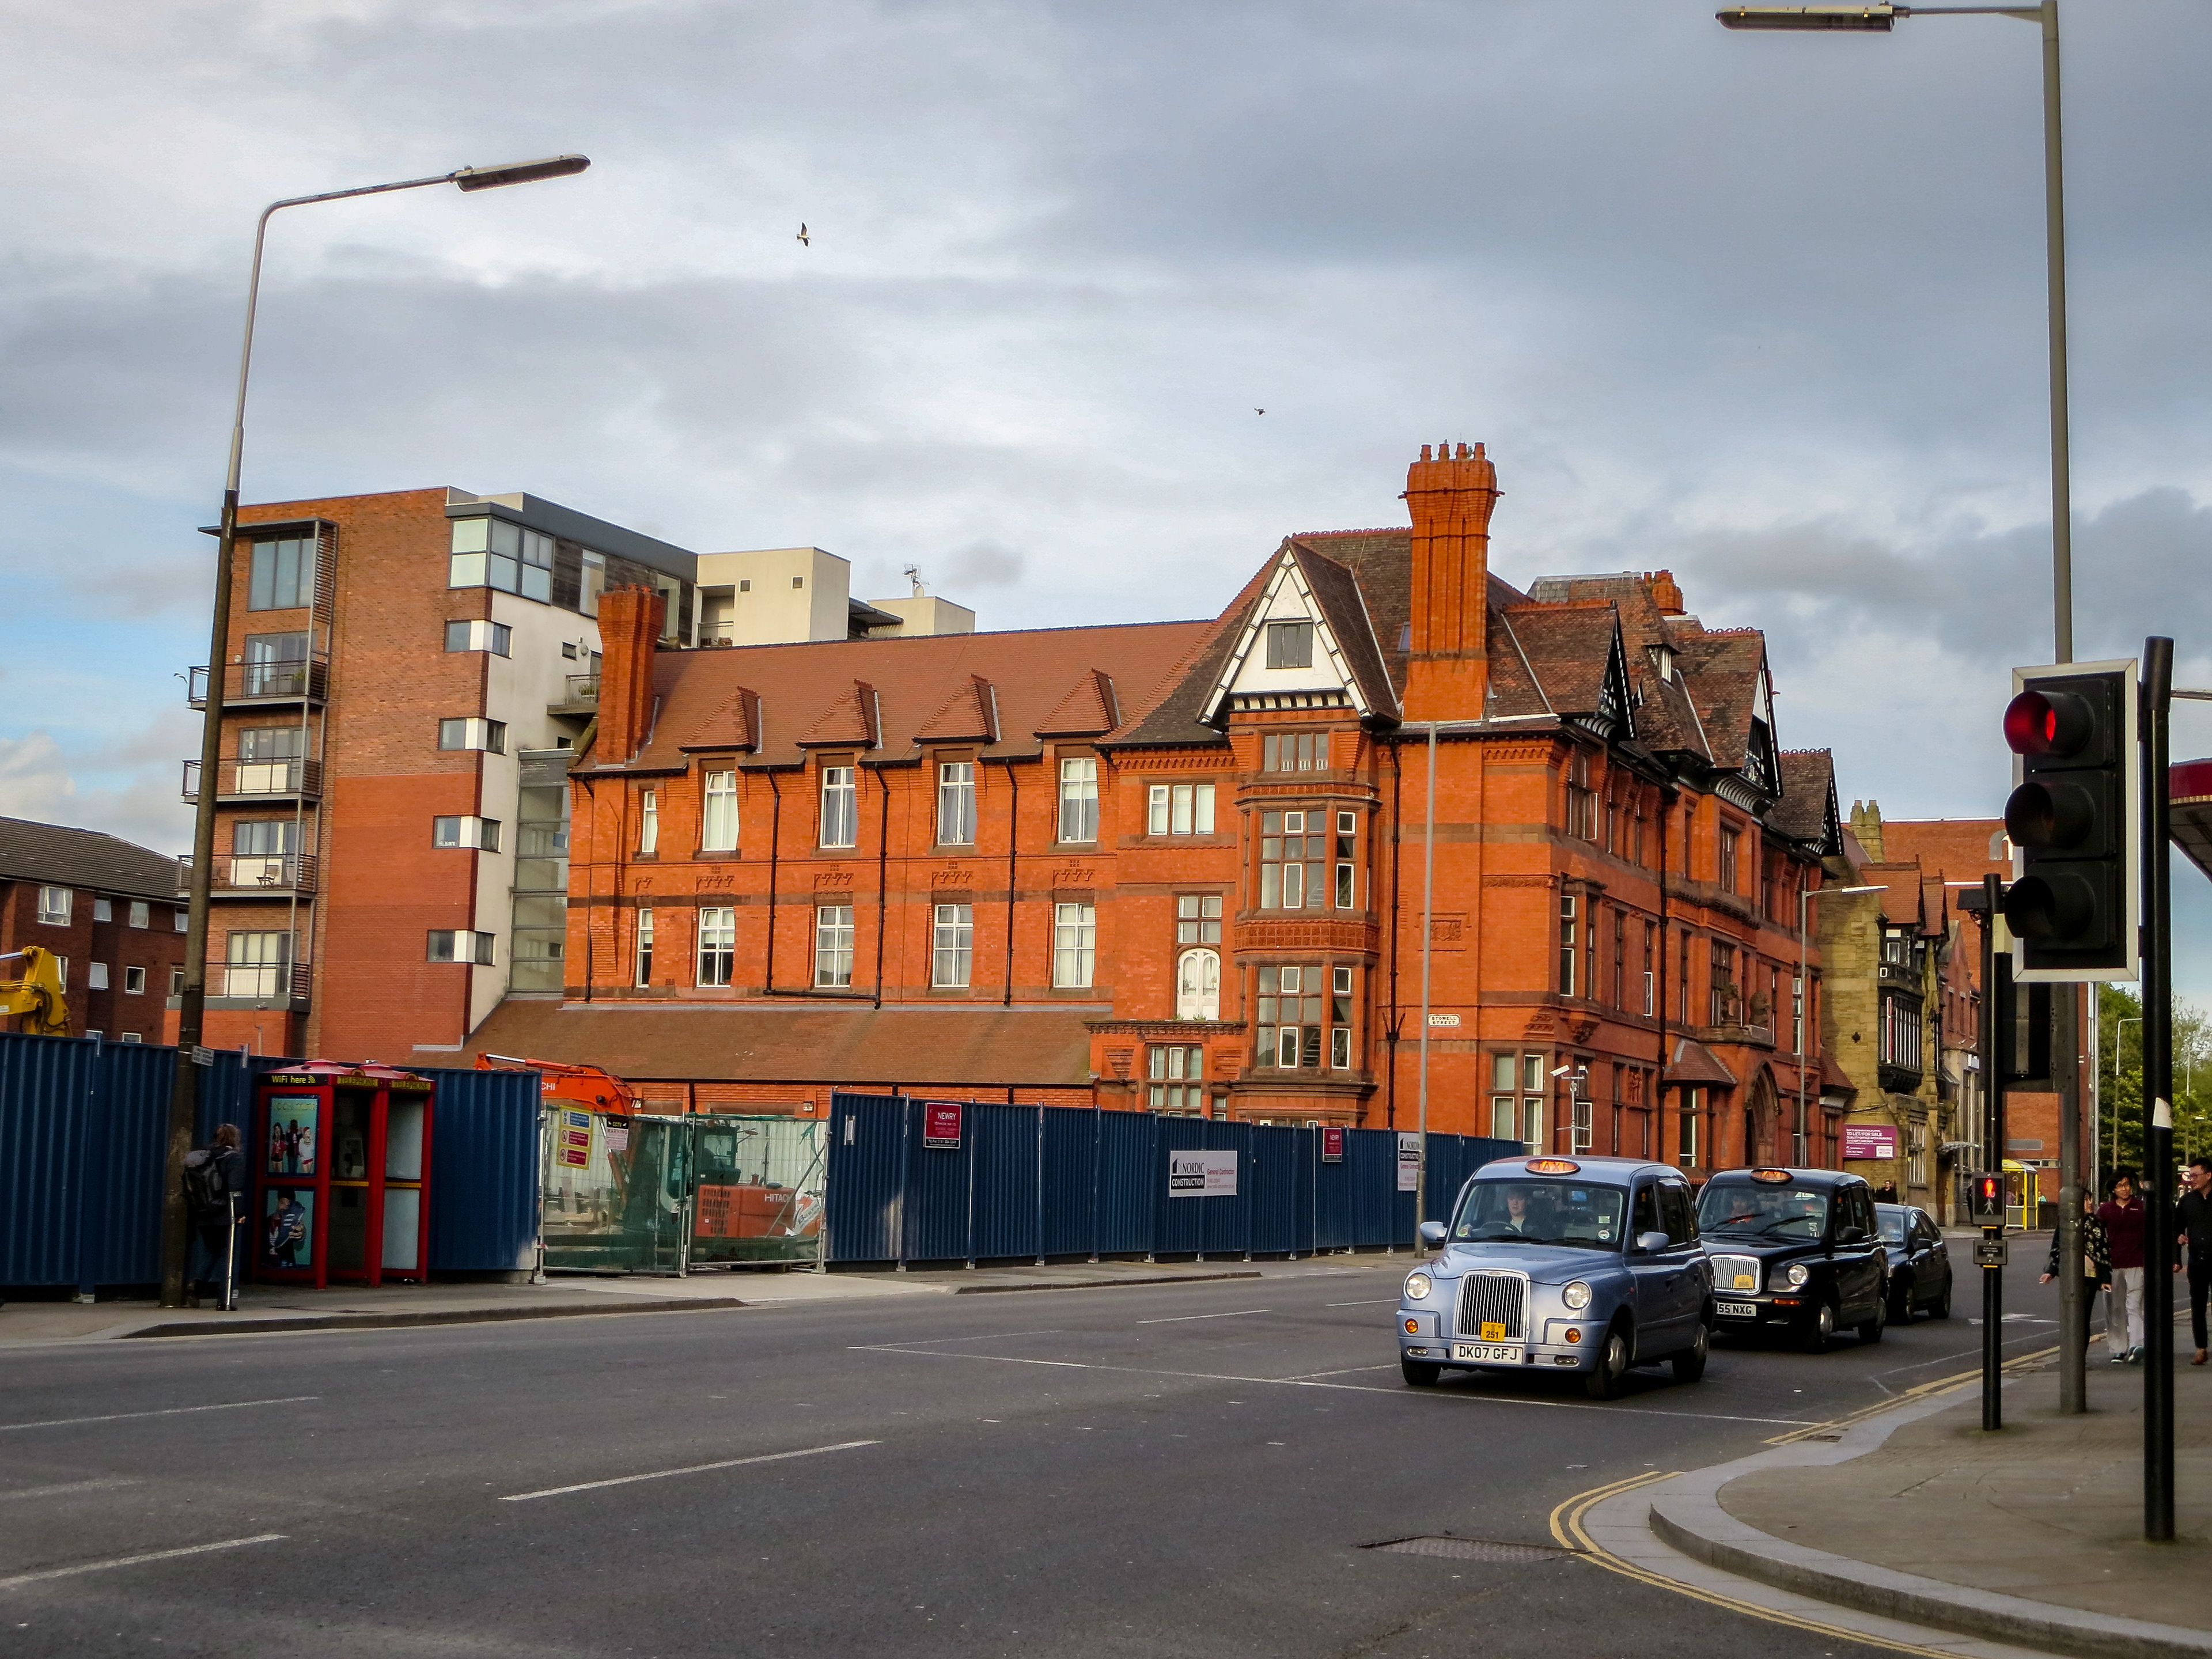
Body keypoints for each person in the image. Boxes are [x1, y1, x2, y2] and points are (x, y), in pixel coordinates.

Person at [185, 1124, 247, 1310]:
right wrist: (239, 1213)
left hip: (203, 1211)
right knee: (227, 1255)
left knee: (211, 1250)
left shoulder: (204, 1157)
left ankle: (197, 1285)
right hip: (224, 1212)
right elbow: (235, 1188)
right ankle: (224, 1299)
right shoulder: (233, 1158)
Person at [2041, 1190, 2111, 1344]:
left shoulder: (2096, 1223)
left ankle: (2080, 1354)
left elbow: (2103, 1252)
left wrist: (2105, 1278)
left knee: (2083, 1316)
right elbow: (2057, 1248)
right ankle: (2071, 1352)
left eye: (2090, 1199)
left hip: (2089, 1275)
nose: (2090, 1203)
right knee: (2071, 1317)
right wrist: (2051, 1272)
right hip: (2069, 1274)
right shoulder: (2065, 1223)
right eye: (2085, 1200)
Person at [2097, 1171, 2148, 1363]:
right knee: (2115, 1308)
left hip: (2137, 1263)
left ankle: (2137, 1345)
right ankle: (2118, 1349)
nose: (2124, 1189)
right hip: (2113, 1265)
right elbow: (2099, 1236)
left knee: (2135, 1306)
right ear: (2113, 1190)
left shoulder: (2141, 1207)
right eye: (2119, 1186)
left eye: (2127, 1185)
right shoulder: (2106, 1210)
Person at [2175, 1157, 2212, 1366]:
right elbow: (2177, 1229)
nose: (2192, 1180)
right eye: (2190, 1176)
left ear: (2209, 1175)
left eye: (2196, 1175)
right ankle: (2201, 1348)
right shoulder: (2187, 1201)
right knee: (2197, 1306)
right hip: (2197, 1261)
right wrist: (2176, 1257)